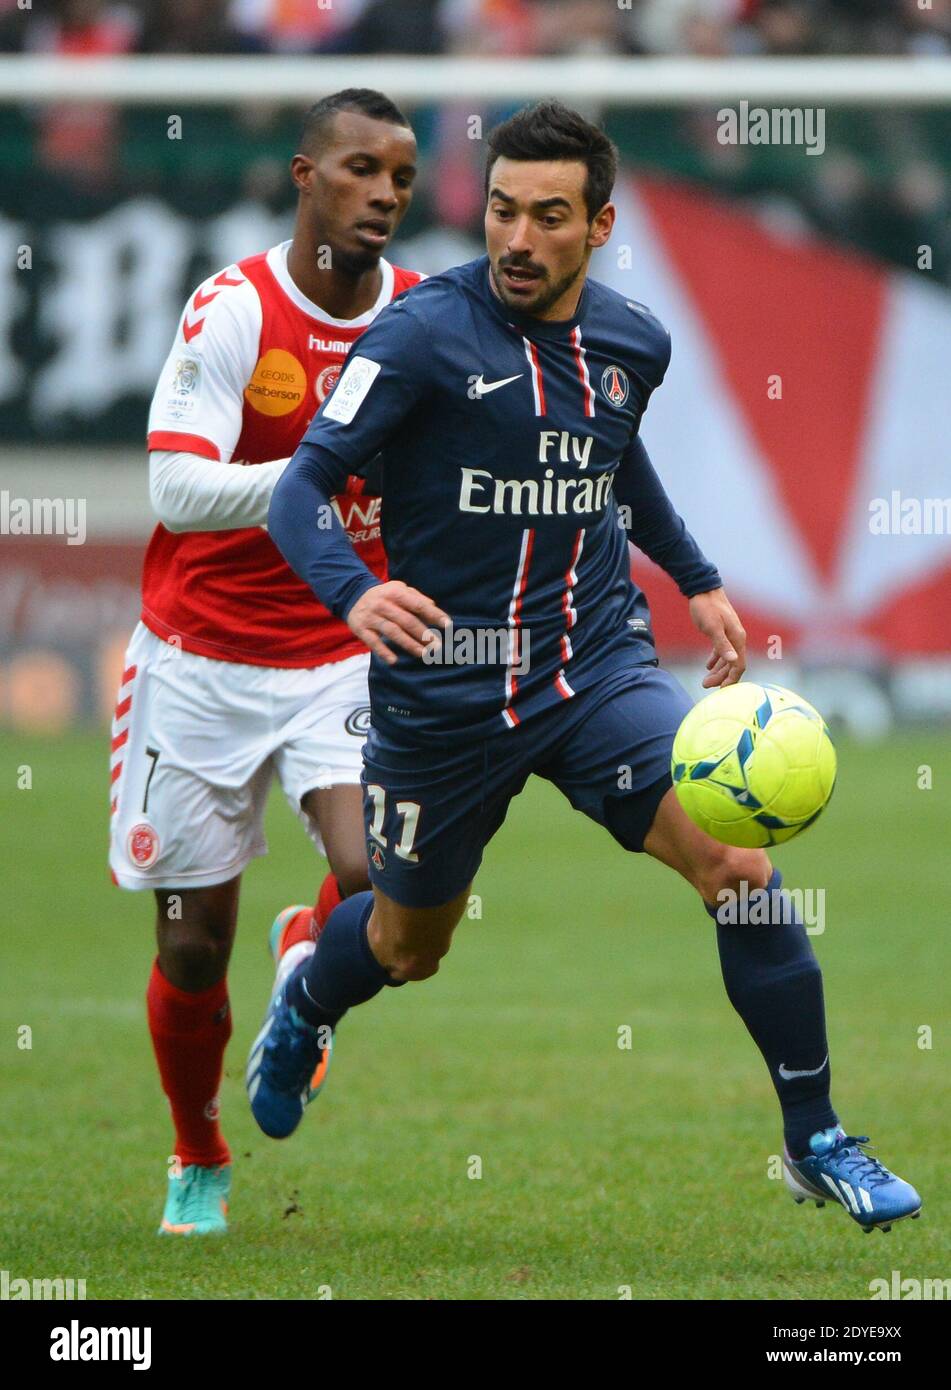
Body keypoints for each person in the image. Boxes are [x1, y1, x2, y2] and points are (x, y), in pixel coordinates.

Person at [253, 101, 921, 1235]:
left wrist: (696, 573)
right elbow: (296, 492)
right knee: (408, 947)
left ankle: (816, 1138)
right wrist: (356, 590)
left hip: (591, 669)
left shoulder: (633, 341)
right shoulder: (420, 338)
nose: (517, 237)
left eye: (549, 216)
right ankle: (308, 997)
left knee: (741, 872)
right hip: (445, 692)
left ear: (599, 225)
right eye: (502, 210)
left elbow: (614, 457)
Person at [109, 88, 423, 1235]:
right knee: (191, 948)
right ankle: (198, 1150)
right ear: (304, 176)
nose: (383, 192)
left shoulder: (423, 316)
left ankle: (313, 960)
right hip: (200, 659)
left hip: (342, 652)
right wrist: (319, 481)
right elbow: (177, 490)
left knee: (378, 885)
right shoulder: (235, 307)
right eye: (359, 169)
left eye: (400, 173)